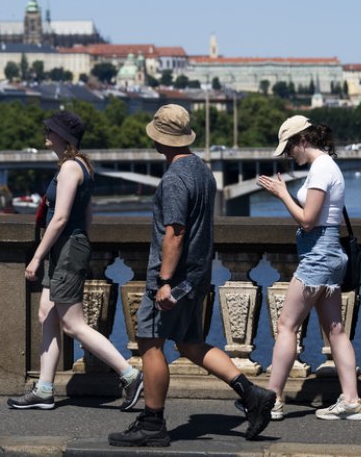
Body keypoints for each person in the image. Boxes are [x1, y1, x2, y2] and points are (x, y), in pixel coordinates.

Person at [108, 104, 276, 448]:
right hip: (198, 273)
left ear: (162, 139)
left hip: (174, 278)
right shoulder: (202, 169)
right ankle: (252, 394)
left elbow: (175, 232)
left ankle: (152, 422)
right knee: (189, 343)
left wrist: (164, 281)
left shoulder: (173, 178)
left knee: (150, 343)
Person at [7, 110, 144, 412]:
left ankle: (130, 375)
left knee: (72, 323)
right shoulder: (81, 166)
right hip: (67, 246)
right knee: (47, 313)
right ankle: (44, 389)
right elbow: (88, 216)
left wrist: (37, 257)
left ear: (62, 137)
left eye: (50, 130)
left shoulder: (70, 168)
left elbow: (61, 218)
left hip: (65, 247)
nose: (46, 132)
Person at [254, 115, 361, 422]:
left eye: (289, 148)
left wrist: (282, 195)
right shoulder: (328, 166)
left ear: (302, 141)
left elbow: (308, 219)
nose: (289, 155)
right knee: (336, 330)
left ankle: (272, 400)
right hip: (329, 254)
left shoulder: (321, 169)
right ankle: (352, 400)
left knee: (286, 325)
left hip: (318, 255)